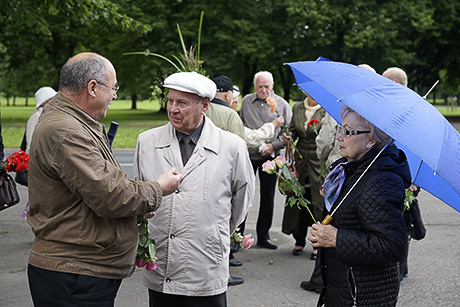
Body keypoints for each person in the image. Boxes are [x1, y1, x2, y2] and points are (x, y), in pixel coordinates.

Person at [26, 52, 182, 307]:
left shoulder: (75, 122)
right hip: (75, 274)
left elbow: (92, 188)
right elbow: (109, 194)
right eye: (114, 88)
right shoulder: (66, 130)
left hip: (80, 270)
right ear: (92, 88)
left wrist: (136, 208)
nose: (115, 95)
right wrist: (158, 189)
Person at [133, 71, 255, 307]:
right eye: (170, 101)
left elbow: (242, 201)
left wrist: (213, 232)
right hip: (162, 263)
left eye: (182, 103)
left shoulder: (231, 147)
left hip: (205, 265)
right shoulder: (146, 142)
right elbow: (141, 194)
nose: (173, 109)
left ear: (205, 105)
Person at [307, 105, 411, 306]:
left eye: (348, 132)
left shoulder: (383, 180)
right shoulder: (348, 168)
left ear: (372, 139)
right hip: (342, 287)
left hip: (364, 295)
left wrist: (337, 238)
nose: (339, 137)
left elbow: (392, 245)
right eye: (340, 129)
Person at [300, 63, 379, 294]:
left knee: (333, 225)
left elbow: (323, 144)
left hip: (343, 173)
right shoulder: (379, 111)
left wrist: (331, 170)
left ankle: (321, 278)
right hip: (355, 173)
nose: (344, 136)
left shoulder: (342, 107)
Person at [240, 71, 292, 249]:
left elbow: (287, 133)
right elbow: (240, 127)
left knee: (268, 197)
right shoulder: (246, 101)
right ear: (255, 86)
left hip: (271, 156)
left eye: (267, 86)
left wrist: (274, 146)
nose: (263, 90)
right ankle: (239, 236)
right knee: (243, 194)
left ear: (273, 85)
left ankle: (263, 235)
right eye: (260, 86)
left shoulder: (282, 105)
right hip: (249, 153)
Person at [383, 66, 421, 282]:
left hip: (405, 175)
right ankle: (399, 267)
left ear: (395, 84)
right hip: (397, 171)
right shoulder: (391, 106)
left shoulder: (410, 110)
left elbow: (417, 148)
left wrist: (413, 181)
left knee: (400, 223)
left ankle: (399, 269)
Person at [281, 93, 326, 258]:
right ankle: (299, 240)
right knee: (298, 200)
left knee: (317, 203)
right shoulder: (298, 107)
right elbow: (293, 131)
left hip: (317, 162)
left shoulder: (326, 109)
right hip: (300, 162)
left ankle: (316, 243)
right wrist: (288, 137)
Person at [25, 87, 57, 152]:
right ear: (43, 102)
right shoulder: (36, 116)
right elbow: (31, 139)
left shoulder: (50, 114)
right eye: (51, 99)